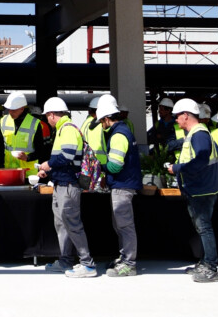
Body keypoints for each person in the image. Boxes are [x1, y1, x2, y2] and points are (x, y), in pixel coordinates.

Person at [37, 97, 96, 278]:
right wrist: (49, 171)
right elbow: (63, 160)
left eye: (47, 116)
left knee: (72, 224)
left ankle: (87, 264)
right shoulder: (63, 129)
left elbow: (67, 156)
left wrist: (48, 164)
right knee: (62, 224)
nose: (47, 119)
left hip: (69, 185)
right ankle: (65, 261)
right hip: (62, 183)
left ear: (52, 114)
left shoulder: (68, 130)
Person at [168, 98, 218, 283]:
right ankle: (206, 261)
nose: (176, 120)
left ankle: (211, 267)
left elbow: (200, 159)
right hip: (201, 188)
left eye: (177, 116)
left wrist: (177, 169)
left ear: (186, 115)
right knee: (202, 227)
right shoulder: (197, 133)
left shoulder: (199, 134)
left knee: (205, 227)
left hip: (202, 189)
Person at [97, 95, 142, 277]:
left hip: (123, 186)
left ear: (107, 118)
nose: (101, 123)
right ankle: (125, 258)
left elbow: (115, 165)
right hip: (123, 184)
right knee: (121, 225)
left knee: (124, 225)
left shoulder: (118, 135)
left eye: (101, 120)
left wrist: (98, 168)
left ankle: (129, 263)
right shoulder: (122, 131)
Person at [1, 91, 45, 176]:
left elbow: (41, 150)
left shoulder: (34, 123)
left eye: (13, 109)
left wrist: (28, 157)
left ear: (22, 108)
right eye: (9, 109)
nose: (10, 112)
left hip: (28, 174)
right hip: (10, 171)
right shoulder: (4, 120)